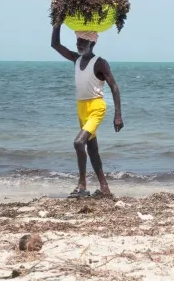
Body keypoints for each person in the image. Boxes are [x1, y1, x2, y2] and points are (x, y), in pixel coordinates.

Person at [51, 25, 123, 198]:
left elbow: (114, 87)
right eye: (77, 41)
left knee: (78, 143)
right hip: (81, 108)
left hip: (96, 108)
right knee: (92, 149)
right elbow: (55, 44)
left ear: (92, 42)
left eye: (82, 41)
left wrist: (118, 115)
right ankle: (105, 188)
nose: (79, 44)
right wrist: (57, 24)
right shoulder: (76, 59)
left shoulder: (100, 62)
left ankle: (82, 185)